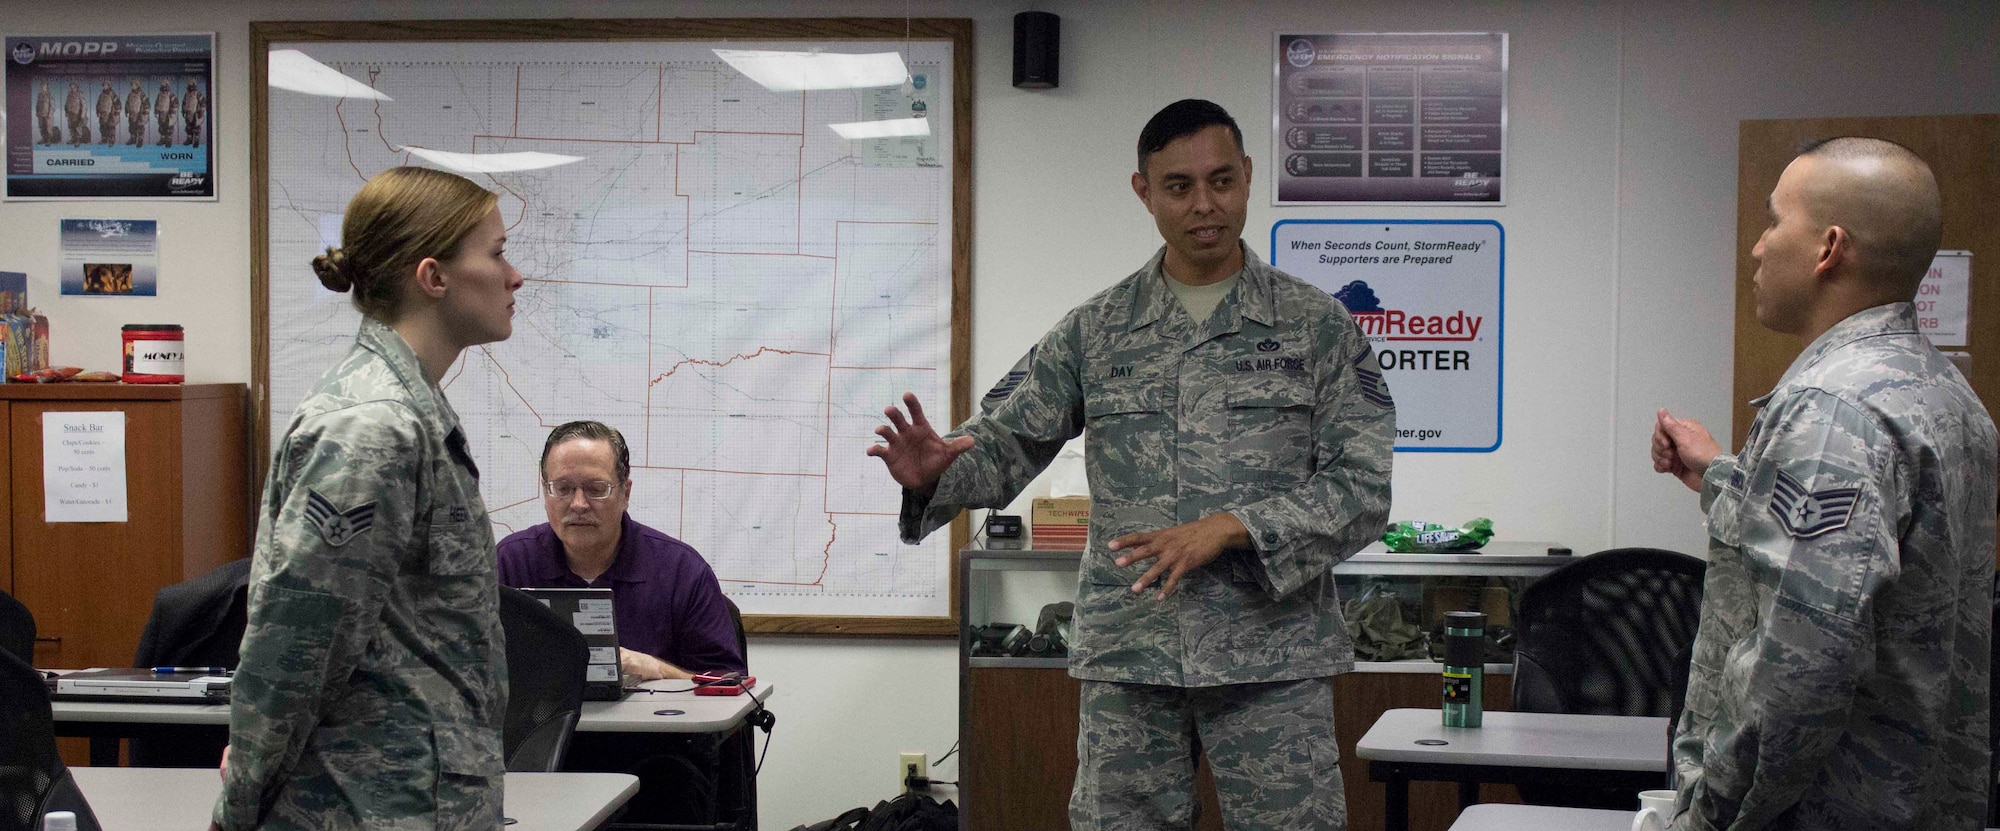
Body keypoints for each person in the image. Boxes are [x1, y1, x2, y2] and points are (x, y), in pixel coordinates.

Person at [871, 99, 1394, 830]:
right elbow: (1006, 441)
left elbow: (1362, 488)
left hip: (1270, 657)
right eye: (1178, 186)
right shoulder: (1097, 328)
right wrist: (935, 471)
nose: (1204, 204)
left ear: (1247, 177)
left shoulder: (1315, 327)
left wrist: (1235, 526)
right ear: (1143, 192)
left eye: (1221, 180)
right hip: (1131, 655)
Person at [1652, 137, 1997, 830]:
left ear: (1828, 247)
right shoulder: (1945, 394)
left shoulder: (1831, 409)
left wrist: (1705, 818)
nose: (1756, 247)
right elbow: (1881, 572)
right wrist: (1721, 476)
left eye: (1775, 220)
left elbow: (1799, 673)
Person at [213, 166, 524, 831]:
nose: (514, 275)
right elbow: (296, 646)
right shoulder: (372, 426)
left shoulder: (410, 408)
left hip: (414, 799)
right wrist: (238, 808)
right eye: (495, 253)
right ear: (433, 276)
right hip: (365, 805)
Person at [497, 420, 746, 680]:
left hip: (653, 720)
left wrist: (658, 670)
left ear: (625, 494)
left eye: (596, 489)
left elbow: (729, 688)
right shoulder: (510, 563)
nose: (579, 504)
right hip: (544, 721)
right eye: (563, 488)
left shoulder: (682, 571)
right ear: (546, 492)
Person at [125, 79, 150, 148]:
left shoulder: (142, 94)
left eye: (134, 85)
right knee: (132, 127)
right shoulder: (130, 94)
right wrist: (126, 111)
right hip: (132, 114)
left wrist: (145, 113)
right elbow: (127, 103)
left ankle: (140, 140)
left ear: (137, 85)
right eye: (132, 85)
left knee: (140, 128)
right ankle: (133, 139)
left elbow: (147, 104)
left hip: (140, 114)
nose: (132, 86)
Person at [182, 79, 207, 148]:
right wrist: (183, 110)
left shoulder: (198, 94)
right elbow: (184, 103)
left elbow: (203, 102)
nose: (190, 86)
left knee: (196, 128)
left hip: (196, 114)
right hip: (188, 113)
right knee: (189, 127)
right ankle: (189, 139)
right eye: (189, 85)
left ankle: (196, 141)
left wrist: (201, 111)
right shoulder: (186, 94)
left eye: (192, 85)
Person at [95, 80, 120, 147]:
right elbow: (98, 104)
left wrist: (116, 112)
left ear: (109, 86)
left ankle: (112, 140)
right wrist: (97, 111)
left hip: (110, 114)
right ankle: (104, 139)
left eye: (106, 85)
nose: (105, 86)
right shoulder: (101, 94)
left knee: (111, 127)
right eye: (104, 85)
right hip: (102, 114)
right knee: (103, 127)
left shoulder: (112, 94)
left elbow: (117, 103)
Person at [64, 81, 87, 146]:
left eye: (73, 85)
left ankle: (78, 140)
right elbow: (66, 104)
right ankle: (73, 138)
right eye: (71, 85)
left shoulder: (79, 94)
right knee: (71, 127)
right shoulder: (69, 94)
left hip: (77, 114)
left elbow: (84, 105)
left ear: (76, 86)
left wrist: (83, 114)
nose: (71, 86)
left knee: (77, 127)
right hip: (70, 114)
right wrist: (66, 111)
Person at [156, 80, 178, 147]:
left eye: (164, 85)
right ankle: (162, 139)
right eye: (162, 85)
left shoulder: (171, 95)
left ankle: (168, 140)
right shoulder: (159, 95)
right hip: (161, 114)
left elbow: (175, 104)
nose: (163, 86)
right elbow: (156, 104)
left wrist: (172, 112)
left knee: (169, 128)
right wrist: (156, 112)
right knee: (162, 127)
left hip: (168, 115)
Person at [35, 81, 56, 146]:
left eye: (44, 85)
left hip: (47, 115)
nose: (43, 86)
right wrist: (37, 112)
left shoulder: (49, 94)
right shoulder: (40, 94)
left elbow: (52, 105)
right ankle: (43, 139)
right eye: (42, 85)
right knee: (41, 127)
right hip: (41, 114)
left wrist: (50, 114)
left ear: (47, 86)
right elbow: (37, 104)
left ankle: (49, 140)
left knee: (48, 128)